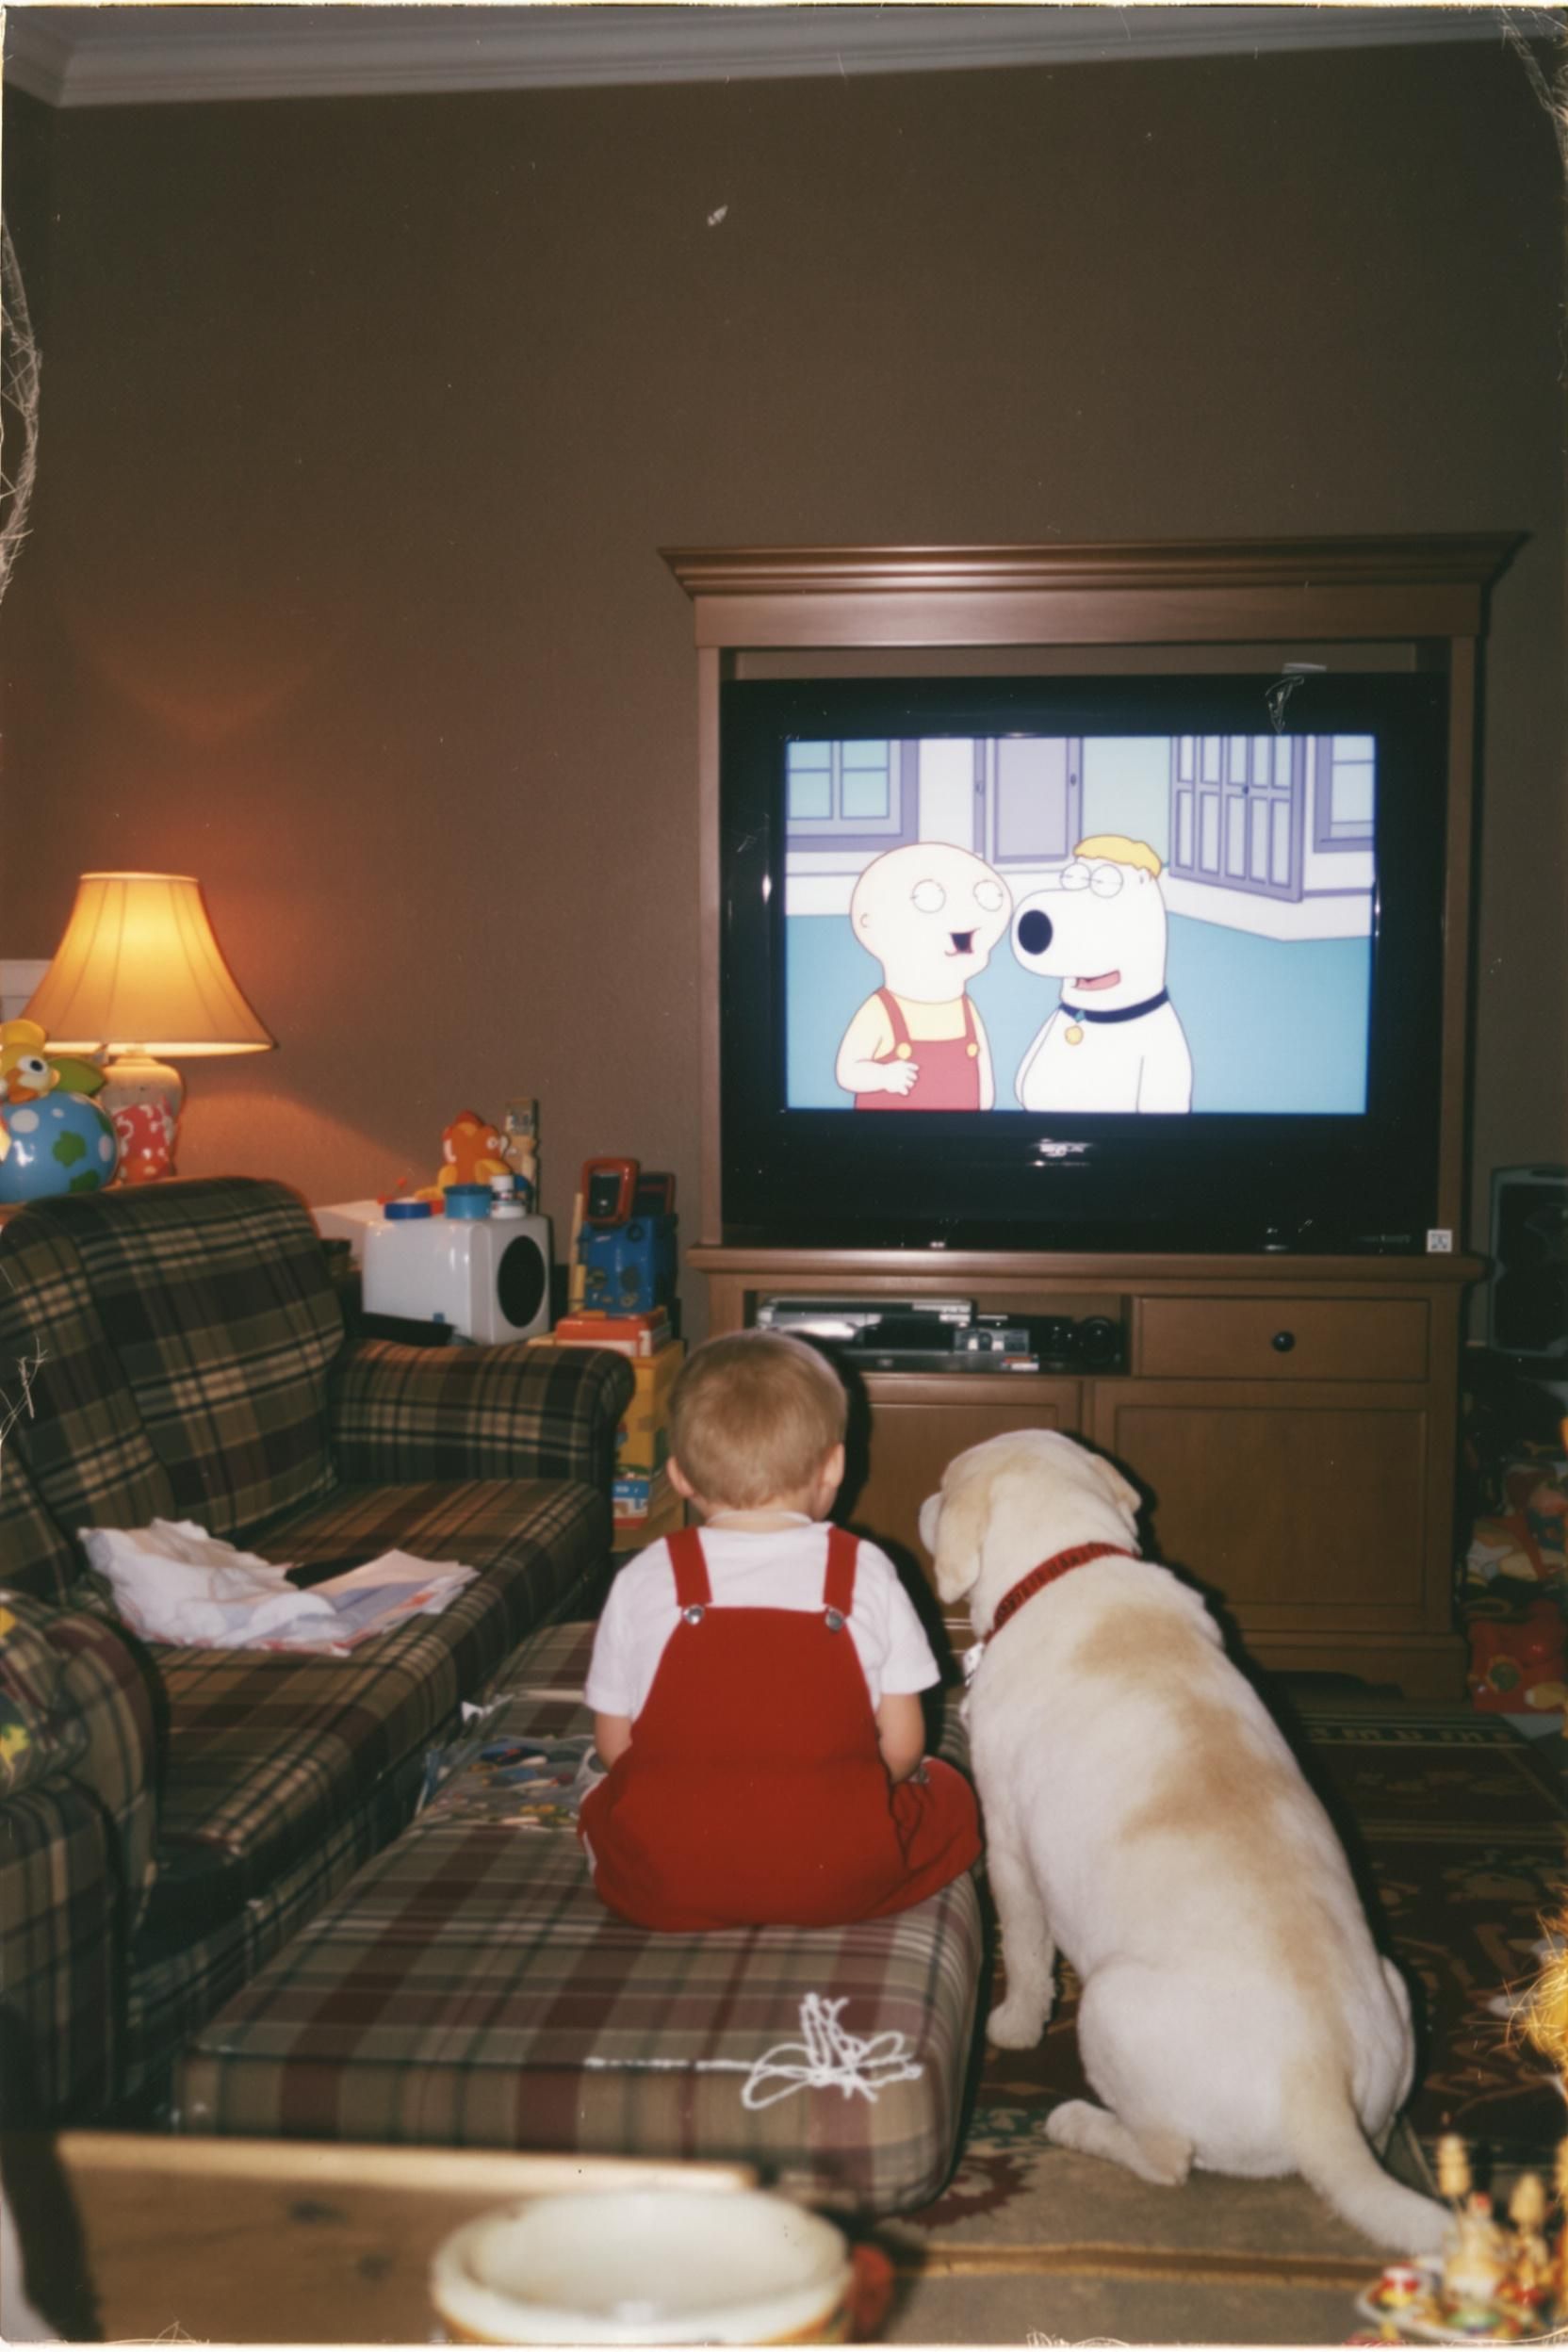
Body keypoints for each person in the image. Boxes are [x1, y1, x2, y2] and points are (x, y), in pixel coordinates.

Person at [579, 1331, 982, 1931]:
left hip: (671, 1883)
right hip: (839, 1880)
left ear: (679, 1476)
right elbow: (902, 1749)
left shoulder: (645, 1575)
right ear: (834, 1465)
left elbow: (616, 1747)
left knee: (600, 1793)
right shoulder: (865, 1570)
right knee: (948, 1789)